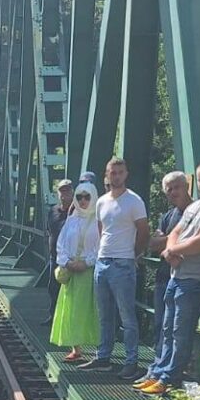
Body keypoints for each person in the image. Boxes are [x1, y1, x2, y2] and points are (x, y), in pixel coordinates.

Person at [139, 161, 200, 394]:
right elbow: (176, 231)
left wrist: (173, 251)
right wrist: (172, 249)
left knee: (181, 331)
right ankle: (159, 372)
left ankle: (169, 379)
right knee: (168, 328)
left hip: (196, 280)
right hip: (177, 276)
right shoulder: (198, 206)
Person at [80, 157, 149, 376]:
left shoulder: (134, 201)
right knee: (104, 315)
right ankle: (103, 357)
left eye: (120, 172)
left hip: (122, 264)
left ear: (126, 174)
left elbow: (144, 232)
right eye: (112, 172)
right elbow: (102, 230)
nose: (116, 176)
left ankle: (131, 361)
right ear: (107, 175)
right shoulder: (101, 201)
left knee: (127, 316)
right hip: (103, 263)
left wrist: (133, 254)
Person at [145, 171, 193, 372]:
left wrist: (168, 241)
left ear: (187, 187)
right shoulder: (168, 215)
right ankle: (159, 368)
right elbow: (152, 244)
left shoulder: (197, 212)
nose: (173, 192)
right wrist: (176, 240)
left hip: (187, 279)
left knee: (178, 329)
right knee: (161, 326)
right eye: (169, 189)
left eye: (177, 187)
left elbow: (197, 241)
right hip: (164, 278)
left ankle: (173, 372)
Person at [50, 180, 100, 362]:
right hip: (72, 270)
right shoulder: (71, 220)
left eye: (87, 196)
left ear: (94, 197)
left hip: (90, 271)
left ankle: (98, 350)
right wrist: (66, 262)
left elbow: (101, 246)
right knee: (71, 310)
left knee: (92, 309)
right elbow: (60, 245)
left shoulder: (98, 220)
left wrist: (87, 262)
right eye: (79, 197)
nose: (83, 200)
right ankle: (75, 348)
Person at [39, 179, 76, 325]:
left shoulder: (77, 213)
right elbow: (49, 231)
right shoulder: (52, 211)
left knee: (70, 291)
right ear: (57, 193)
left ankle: (68, 320)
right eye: (61, 191)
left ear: (72, 192)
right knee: (53, 287)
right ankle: (53, 316)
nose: (64, 194)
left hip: (71, 258)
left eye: (67, 190)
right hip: (55, 257)